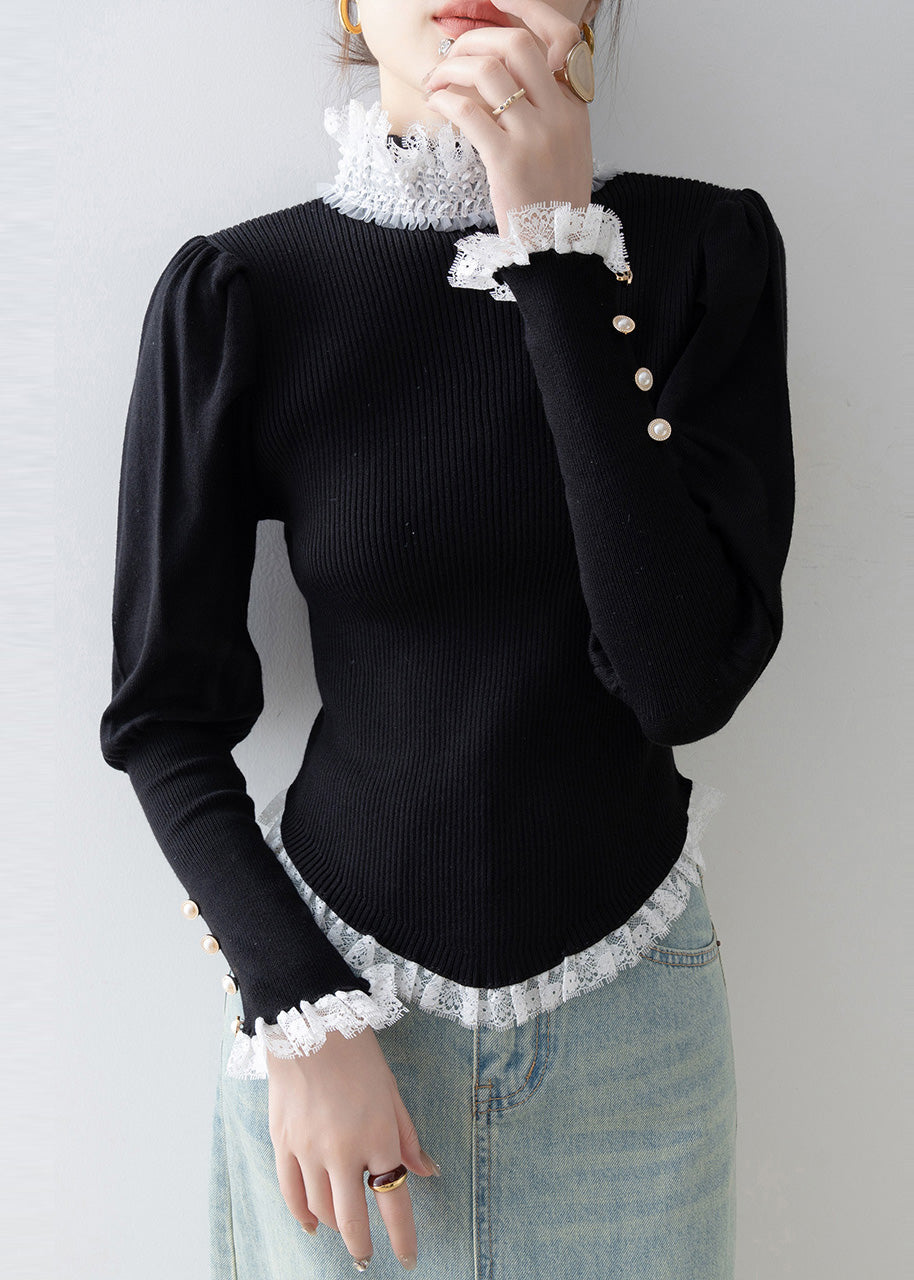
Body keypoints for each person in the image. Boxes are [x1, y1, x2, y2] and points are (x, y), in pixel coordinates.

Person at [99, 1, 794, 1276]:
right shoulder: (242, 292)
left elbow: (679, 678)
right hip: (330, 1024)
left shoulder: (701, 254)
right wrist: (300, 1010)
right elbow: (163, 719)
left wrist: (555, 250)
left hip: (634, 1041)